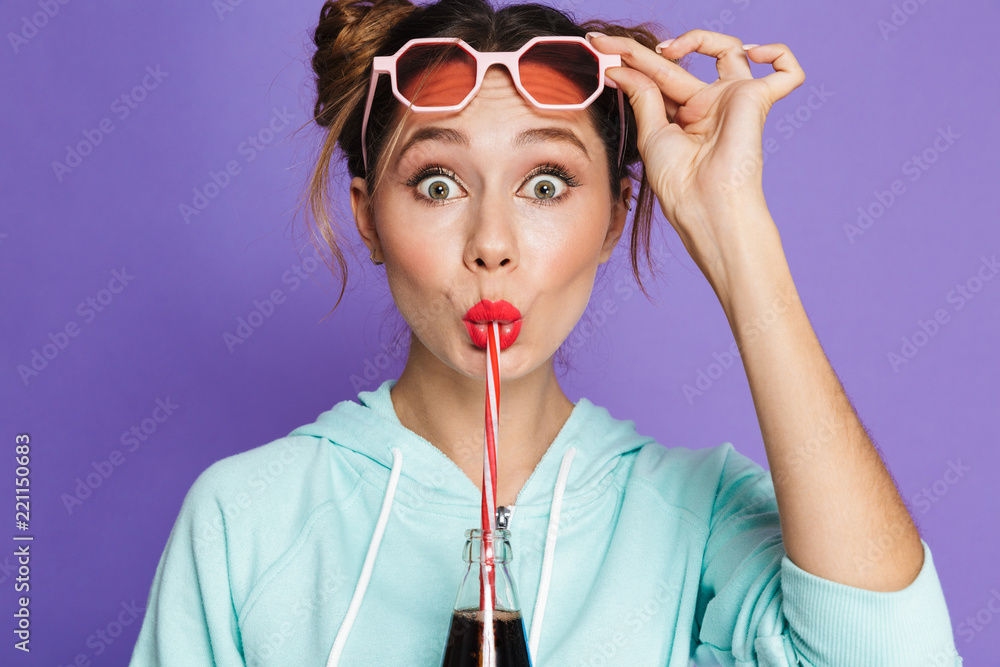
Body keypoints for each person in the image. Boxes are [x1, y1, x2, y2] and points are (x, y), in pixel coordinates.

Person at [129, 0, 963, 664]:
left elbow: (897, 653)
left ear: (613, 220)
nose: (491, 242)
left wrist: (735, 232)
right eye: (439, 182)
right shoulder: (245, 521)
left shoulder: (699, 520)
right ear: (369, 219)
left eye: (548, 183)